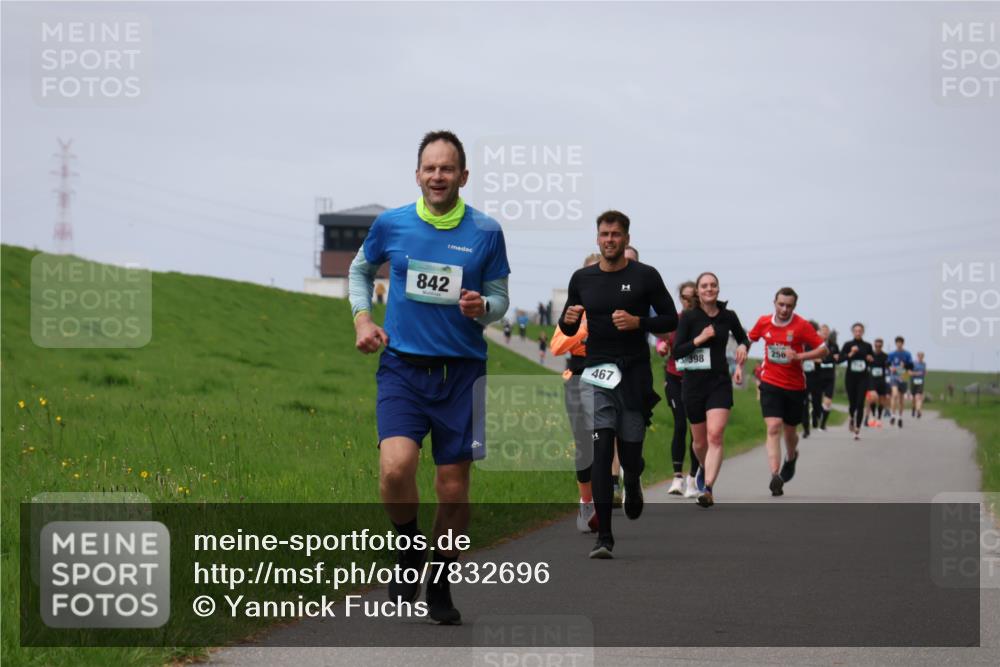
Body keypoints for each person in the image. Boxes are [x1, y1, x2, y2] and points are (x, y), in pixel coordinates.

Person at [349, 130, 510, 624]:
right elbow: (359, 271)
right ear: (417, 175)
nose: (438, 176)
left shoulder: (486, 231)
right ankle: (408, 548)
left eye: (447, 168)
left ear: (463, 176)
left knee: (453, 489)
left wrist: (484, 307)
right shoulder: (391, 224)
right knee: (395, 468)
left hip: (462, 373)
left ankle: (439, 579)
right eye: (430, 168)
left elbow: (501, 299)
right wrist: (363, 320)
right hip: (402, 367)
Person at [558, 210, 677, 558]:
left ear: (626, 239)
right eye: (604, 234)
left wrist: (639, 322)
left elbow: (670, 319)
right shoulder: (582, 278)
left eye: (615, 234)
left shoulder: (645, 276)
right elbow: (567, 326)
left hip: (634, 372)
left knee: (630, 452)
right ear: (597, 238)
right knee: (601, 447)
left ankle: (634, 480)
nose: (609, 240)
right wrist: (567, 321)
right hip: (596, 371)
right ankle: (605, 537)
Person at [672, 271, 748, 508]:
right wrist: (700, 338)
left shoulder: (728, 316)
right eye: (704, 286)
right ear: (698, 290)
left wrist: (743, 348)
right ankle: (704, 467)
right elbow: (677, 352)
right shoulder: (688, 317)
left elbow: (743, 338)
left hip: (719, 383)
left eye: (713, 285)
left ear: (718, 288)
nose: (709, 289)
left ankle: (708, 489)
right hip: (693, 385)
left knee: (715, 434)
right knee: (699, 442)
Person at [747, 288, 828, 496]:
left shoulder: (801, 325)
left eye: (789, 306)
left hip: (794, 386)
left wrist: (799, 357)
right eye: (781, 304)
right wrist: (740, 357)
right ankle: (775, 475)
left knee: (790, 432)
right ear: (774, 302)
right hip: (770, 382)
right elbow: (749, 339)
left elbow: (823, 349)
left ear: (794, 306)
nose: (784, 309)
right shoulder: (764, 322)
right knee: (773, 427)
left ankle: (791, 457)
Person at [551, 253, 601, 532]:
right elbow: (556, 347)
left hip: (609, 379)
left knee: (604, 440)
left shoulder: (616, 306)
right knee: (583, 443)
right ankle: (586, 503)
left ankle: (613, 489)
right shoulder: (574, 310)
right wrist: (583, 333)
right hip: (577, 378)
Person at [655, 281, 700, 497]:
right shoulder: (675, 320)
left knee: (696, 430)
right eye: (684, 297)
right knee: (680, 424)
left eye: (692, 296)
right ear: (680, 298)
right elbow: (661, 340)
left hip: (698, 380)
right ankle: (677, 478)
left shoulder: (702, 321)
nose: (688, 300)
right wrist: (662, 347)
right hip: (674, 378)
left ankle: (693, 478)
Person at [839, 323, 874, 441]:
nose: (858, 333)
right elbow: (840, 359)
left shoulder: (867, 346)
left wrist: (870, 359)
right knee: (852, 403)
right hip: (850, 378)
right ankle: (851, 417)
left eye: (860, 331)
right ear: (853, 332)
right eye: (856, 331)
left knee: (860, 403)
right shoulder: (848, 345)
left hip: (863, 378)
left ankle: (857, 429)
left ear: (863, 332)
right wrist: (851, 353)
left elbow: (872, 361)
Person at [815, 325, 839, 430]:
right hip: (817, 376)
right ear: (819, 332)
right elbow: (809, 356)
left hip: (830, 377)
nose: (825, 333)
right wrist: (815, 359)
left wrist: (837, 358)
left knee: (828, 402)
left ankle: (823, 424)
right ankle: (816, 415)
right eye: (823, 331)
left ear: (829, 333)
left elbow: (838, 358)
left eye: (826, 331)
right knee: (817, 402)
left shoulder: (834, 345)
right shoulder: (815, 344)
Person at [802, 320, 823, 436]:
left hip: (816, 377)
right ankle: (806, 427)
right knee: (804, 402)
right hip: (802, 377)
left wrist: (816, 359)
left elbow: (824, 358)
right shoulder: (800, 343)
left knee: (816, 401)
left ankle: (815, 416)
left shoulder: (818, 343)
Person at [887, 336, 914, 428]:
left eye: (900, 343)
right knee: (894, 395)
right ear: (896, 344)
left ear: (903, 343)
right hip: (894, 376)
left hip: (903, 376)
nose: (899, 344)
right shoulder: (892, 354)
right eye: (897, 343)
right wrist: (891, 368)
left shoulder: (907, 354)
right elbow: (887, 364)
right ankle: (892, 415)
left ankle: (900, 417)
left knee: (901, 399)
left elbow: (911, 366)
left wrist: (904, 365)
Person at [867, 338, 890, 427]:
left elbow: (889, 367)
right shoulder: (870, 355)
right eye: (876, 345)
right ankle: (873, 415)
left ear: (882, 346)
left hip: (881, 380)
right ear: (874, 345)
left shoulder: (885, 356)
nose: (878, 347)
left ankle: (879, 418)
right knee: (873, 397)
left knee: (881, 400)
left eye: (879, 346)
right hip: (872, 380)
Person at [911, 351, 927, 417]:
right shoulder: (913, 363)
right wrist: (917, 373)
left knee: (918, 397)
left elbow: (924, 372)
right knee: (914, 398)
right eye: (919, 356)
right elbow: (910, 373)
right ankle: (913, 408)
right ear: (917, 356)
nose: (921, 357)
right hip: (913, 382)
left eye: (922, 356)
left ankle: (918, 410)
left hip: (920, 382)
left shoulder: (924, 364)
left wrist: (924, 373)